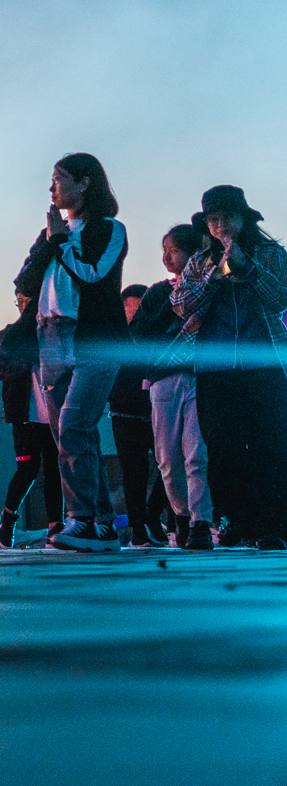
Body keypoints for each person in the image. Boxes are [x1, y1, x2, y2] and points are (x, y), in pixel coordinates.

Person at [14, 153, 128, 552]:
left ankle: (81, 518)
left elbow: (94, 276)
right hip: (50, 336)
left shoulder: (110, 229)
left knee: (76, 424)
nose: (51, 188)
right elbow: (24, 281)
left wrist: (61, 242)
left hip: (95, 338)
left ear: (84, 183)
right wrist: (50, 241)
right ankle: (102, 525)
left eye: (58, 179)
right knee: (68, 433)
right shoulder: (50, 232)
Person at [172, 185, 287, 549]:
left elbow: (281, 296)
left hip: (263, 362)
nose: (220, 227)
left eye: (226, 219)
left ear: (243, 220)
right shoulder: (199, 260)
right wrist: (216, 274)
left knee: (270, 442)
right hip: (215, 365)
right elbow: (181, 304)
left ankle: (272, 525)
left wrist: (244, 264)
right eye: (213, 220)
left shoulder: (270, 253)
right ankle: (236, 520)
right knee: (223, 447)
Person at [135, 223, 212, 550]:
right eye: (164, 251)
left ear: (193, 253)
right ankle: (180, 515)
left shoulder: (208, 288)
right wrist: (171, 308)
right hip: (163, 377)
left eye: (174, 251)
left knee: (197, 453)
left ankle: (200, 522)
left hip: (197, 374)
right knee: (167, 456)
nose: (167, 257)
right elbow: (139, 333)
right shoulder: (156, 293)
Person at [0, 294, 62, 548]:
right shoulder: (8, 335)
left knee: (55, 470)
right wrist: (27, 360)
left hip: (53, 413)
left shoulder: (54, 332)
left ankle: (56, 527)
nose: (24, 305)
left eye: (28, 299)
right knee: (28, 470)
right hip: (24, 414)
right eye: (19, 300)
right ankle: (8, 518)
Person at [108, 285, 169, 548]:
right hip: (125, 412)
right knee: (133, 473)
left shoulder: (158, 335)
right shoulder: (114, 339)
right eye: (128, 311)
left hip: (156, 410)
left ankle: (153, 514)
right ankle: (138, 530)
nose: (132, 318)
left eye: (138, 311)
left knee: (170, 465)